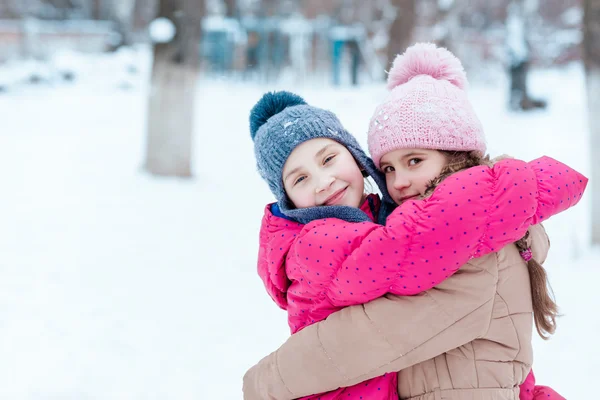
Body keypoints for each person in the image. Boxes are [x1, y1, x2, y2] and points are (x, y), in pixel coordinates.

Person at [244, 44, 586, 400]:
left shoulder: (470, 242)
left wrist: (267, 381)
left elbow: (381, 334)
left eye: (414, 160)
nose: (400, 181)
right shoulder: (338, 236)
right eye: (389, 168)